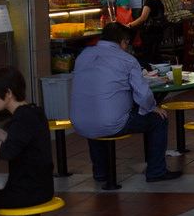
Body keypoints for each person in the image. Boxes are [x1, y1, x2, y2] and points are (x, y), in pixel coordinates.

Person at [71, 23, 180, 182]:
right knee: (159, 120)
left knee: (95, 115)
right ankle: (156, 171)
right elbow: (143, 95)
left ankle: (101, 172)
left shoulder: (83, 57)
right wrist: (152, 107)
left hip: (79, 122)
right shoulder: (127, 60)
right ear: (123, 42)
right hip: (111, 123)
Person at [0, 66, 54, 211]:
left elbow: (7, 152)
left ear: (8, 93)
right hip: (40, 188)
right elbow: (19, 144)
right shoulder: (32, 111)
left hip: (28, 192)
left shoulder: (23, 118)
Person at [126, 0, 166, 68]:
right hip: (159, 32)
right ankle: (159, 72)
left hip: (149, 33)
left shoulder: (149, 2)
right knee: (156, 54)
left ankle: (150, 73)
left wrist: (130, 25)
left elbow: (143, 18)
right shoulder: (160, 2)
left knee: (148, 56)